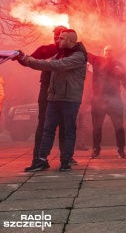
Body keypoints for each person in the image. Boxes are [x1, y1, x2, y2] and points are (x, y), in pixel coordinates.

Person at [17, 29, 87, 172]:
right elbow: (44, 63)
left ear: (70, 41)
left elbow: (56, 66)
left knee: (68, 130)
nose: (58, 41)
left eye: (61, 38)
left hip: (70, 99)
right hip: (54, 98)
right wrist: (23, 58)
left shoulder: (79, 56)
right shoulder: (59, 54)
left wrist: (28, 59)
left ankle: (66, 160)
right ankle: (42, 160)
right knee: (48, 130)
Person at [21, 25, 71, 171]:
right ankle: (38, 159)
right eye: (55, 34)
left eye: (60, 35)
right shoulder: (46, 49)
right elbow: (29, 61)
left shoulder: (72, 52)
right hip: (47, 89)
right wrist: (19, 57)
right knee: (43, 124)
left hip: (64, 90)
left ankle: (65, 158)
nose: (57, 37)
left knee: (65, 125)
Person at [87, 45, 126, 159]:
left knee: (119, 126)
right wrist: (78, 43)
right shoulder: (97, 61)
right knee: (96, 126)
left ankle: (121, 150)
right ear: (103, 52)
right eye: (106, 50)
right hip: (98, 100)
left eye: (111, 50)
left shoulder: (119, 65)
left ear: (115, 53)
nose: (108, 52)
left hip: (115, 100)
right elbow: (86, 54)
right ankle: (96, 150)